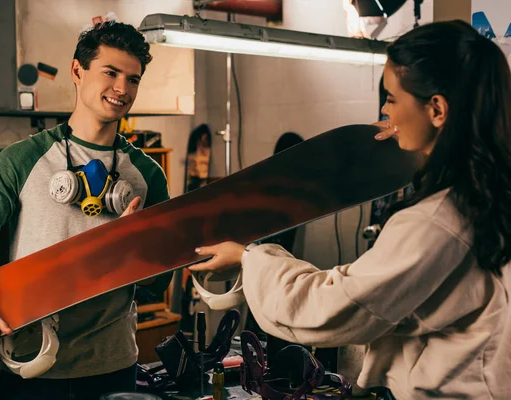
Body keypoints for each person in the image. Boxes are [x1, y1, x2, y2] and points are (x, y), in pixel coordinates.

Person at [189, 20, 511, 399]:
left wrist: (249, 258)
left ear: (437, 109)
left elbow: (335, 306)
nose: (384, 111)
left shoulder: (436, 222)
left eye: (392, 98)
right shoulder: (489, 194)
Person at [0, 21, 172, 399]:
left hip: (112, 366)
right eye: (110, 73)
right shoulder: (23, 160)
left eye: (133, 79)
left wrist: (136, 251)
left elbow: (158, 280)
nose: (122, 89)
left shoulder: (147, 175)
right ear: (77, 71)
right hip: (32, 367)